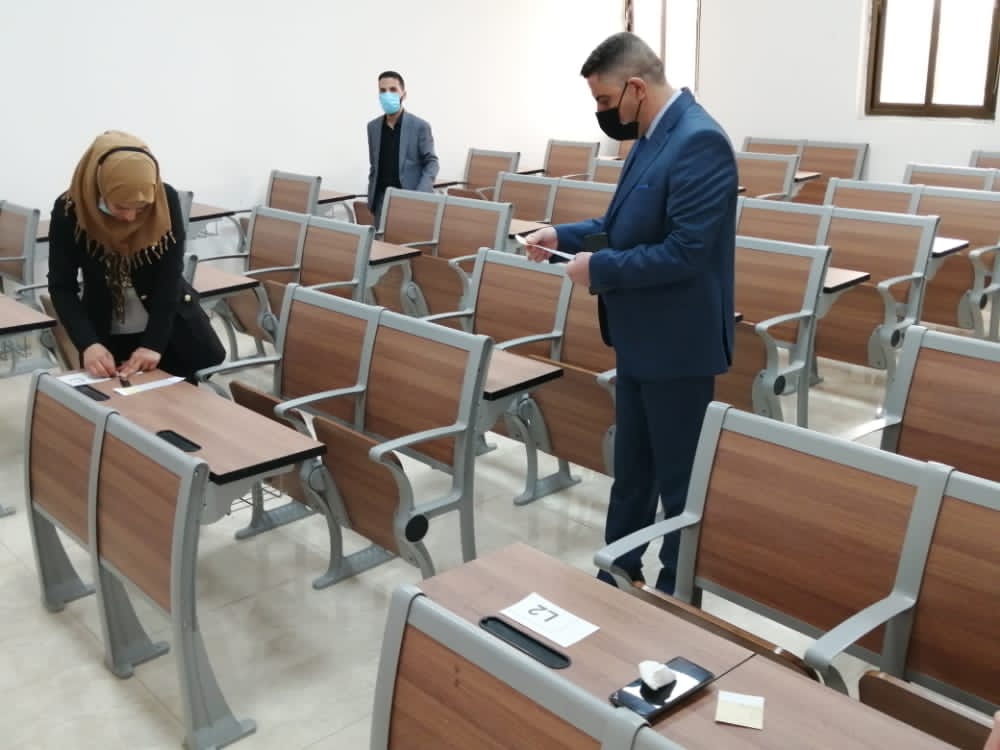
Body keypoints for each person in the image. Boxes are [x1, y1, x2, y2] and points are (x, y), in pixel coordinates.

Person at [525, 32, 737, 595]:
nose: (602, 112)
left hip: (678, 344)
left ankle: (677, 592)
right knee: (633, 470)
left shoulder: (699, 141)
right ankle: (617, 571)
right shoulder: (651, 136)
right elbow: (622, 225)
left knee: (680, 483)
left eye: (604, 100)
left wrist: (598, 269)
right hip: (639, 335)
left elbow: (686, 253)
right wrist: (562, 236)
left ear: (636, 88)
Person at [48, 130, 225, 382]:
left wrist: (153, 344)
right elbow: (61, 286)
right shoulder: (70, 210)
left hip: (167, 333)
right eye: (120, 206)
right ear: (99, 187)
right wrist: (88, 344)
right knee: (118, 404)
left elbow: (170, 277)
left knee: (179, 402)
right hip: (105, 340)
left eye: (141, 208)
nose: (130, 217)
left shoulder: (164, 200)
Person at [366, 70, 439, 222]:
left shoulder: (420, 126)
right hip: (381, 201)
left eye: (393, 89)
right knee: (382, 238)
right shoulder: (373, 127)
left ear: (403, 94)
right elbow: (374, 166)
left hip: (410, 199)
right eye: (382, 90)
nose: (387, 94)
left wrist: (419, 195)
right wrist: (371, 198)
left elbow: (432, 163)